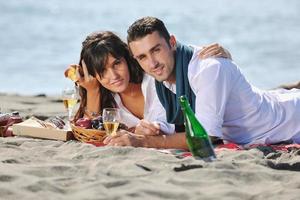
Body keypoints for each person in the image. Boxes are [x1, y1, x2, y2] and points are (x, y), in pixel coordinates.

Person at [103, 16, 300, 148]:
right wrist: (149, 129)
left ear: (172, 42)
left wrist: (144, 142)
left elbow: (205, 138)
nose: (152, 63)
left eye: (156, 50)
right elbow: (166, 125)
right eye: (142, 57)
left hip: (290, 121)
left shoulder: (208, 69)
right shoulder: (160, 77)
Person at [70, 31, 231, 135]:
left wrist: (220, 57)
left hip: (219, 131)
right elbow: (89, 131)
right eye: (102, 71)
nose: (113, 76)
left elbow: (183, 60)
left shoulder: (156, 78)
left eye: (116, 64)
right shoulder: (109, 99)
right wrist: (92, 90)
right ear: (94, 75)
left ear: (128, 58)